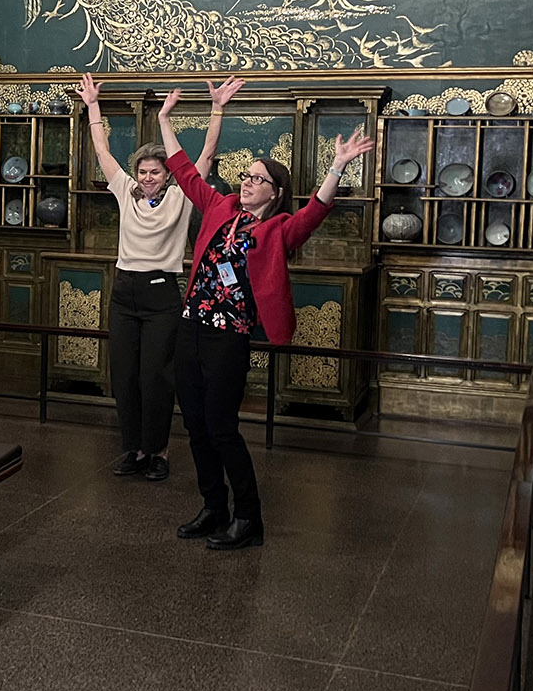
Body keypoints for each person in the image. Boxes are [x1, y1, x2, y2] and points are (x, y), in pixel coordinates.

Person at [158, 85, 375, 550]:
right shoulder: (221, 207)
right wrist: (164, 119)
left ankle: (248, 519)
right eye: (246, 175)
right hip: (191, 326)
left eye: (257, 178)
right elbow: (182, 170)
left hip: (228, 337)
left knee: (221, 428)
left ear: (275, 194)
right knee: (194, 427)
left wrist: (337, 166)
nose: (247, 181)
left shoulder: (278, 229)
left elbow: (315, 211)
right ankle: (213, 508)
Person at [75, 73, 245, 482]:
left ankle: (159, 451)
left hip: (162, 293)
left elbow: (206, 154)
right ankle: (133, 448)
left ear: (168, 174)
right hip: (124, 291)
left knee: (156, 377)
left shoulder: (182, 196)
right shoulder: (125, 190)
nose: (149, 176)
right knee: (125, 377)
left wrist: (217, 108)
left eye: (156, 171)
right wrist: (93, 106)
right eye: (144, 170)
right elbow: (102, 152)